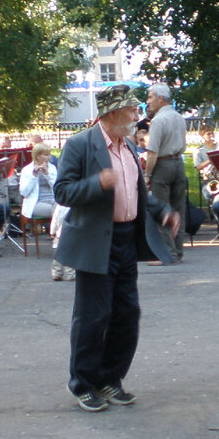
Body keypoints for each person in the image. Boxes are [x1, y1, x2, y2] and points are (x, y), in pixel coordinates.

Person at [54, 84, 179, 411]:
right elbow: (63, 192)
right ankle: (82, 383)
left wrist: (162, 211)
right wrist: (96, 183)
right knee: (93, 317)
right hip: (95, 242)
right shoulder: (81, 145)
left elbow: (140, 193)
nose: (138, 115)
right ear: (112, 113)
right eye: (132, 110)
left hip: (125, 241)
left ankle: (110, 379)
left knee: (127, 315)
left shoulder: (127, 149)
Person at [143, 83, 188, 263]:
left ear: (160, 99)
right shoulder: (179, 117)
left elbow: (152, 152)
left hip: (163, 165)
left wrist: (147, 174)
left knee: (162, 209)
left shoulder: (158, 120)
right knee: (179, 209)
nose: (148, 102)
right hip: (179, 163)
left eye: (150, 97)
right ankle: (178, 251)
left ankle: (167, 254)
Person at [19, 143, 67, 280]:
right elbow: (24, 191)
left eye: (49, 154)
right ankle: (58, 239)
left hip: (52, 200)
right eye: (46, 154)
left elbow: (58, 188)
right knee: (58, 210)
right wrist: (34, 176)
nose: (49, 157)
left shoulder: (52, 168)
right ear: (38, 156)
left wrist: (47, 175)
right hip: (36, 203)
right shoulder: (27, 170)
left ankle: (57, 238)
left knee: (62, 208)